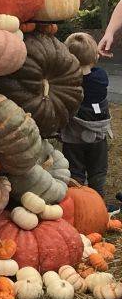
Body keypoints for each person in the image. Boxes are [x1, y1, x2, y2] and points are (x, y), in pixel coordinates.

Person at [61, 33, 112, 196]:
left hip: (73, 137)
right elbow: (93, 69)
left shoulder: (66, 81)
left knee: (75, 171)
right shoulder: (101, 78)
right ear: (94, 57)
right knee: (97, 172)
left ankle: (76, 200)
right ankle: (97, 201)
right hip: (97, 135)